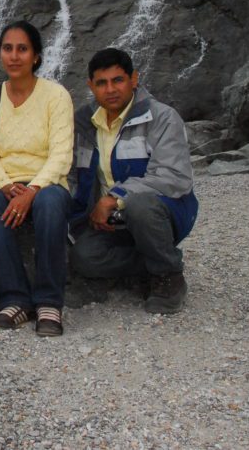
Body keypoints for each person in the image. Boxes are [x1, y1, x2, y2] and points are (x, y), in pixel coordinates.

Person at [68, 48, 199, 314]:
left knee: (139, 205)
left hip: (162, 213)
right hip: (106, 222)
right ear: (91, 86)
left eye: (118, 80)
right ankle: (146, 266)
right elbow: (71, 176)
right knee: (84, 258)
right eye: (102, 83)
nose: (110, 89)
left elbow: (175, 177)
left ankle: (169, 276)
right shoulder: (82, 123)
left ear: (134, 79)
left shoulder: (161, 117)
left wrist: (114, 198)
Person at [0, 21, 74, 336]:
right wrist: (4, 184)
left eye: (22, 49)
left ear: (35, 56)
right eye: (8, 48)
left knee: (50, 202)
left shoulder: (56, 96)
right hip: (7, 182)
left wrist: (31, 190)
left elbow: (61, 155)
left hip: (46, 184)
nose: (14, 56)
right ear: (0, 54)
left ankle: (48, 303)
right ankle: (15, 301)